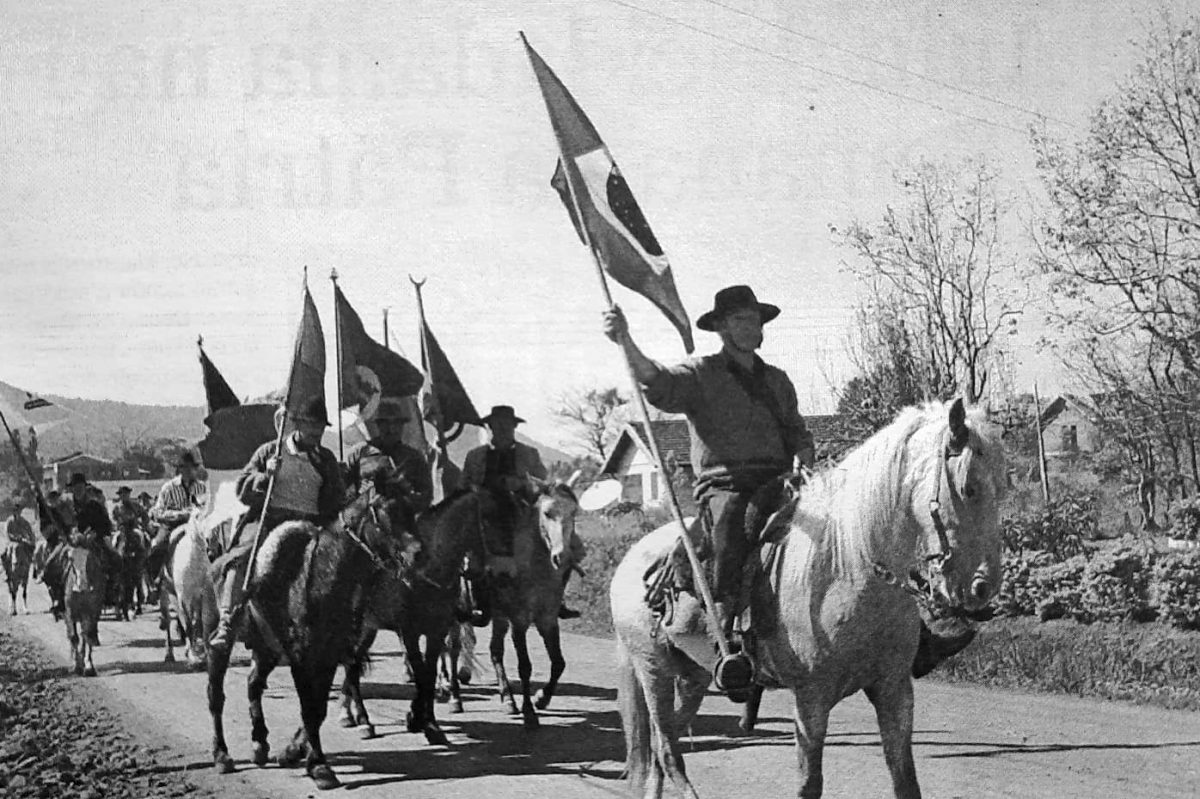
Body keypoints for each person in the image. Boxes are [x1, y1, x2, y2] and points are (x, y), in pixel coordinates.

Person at [603, 285, 815, 694]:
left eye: (755, 320)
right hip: (726, 484)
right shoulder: (701, 375)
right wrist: (625, 339)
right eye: (740, 320)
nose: (751, 327)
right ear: (720, 328)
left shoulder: (777, 381)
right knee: (733, 527)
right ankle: (725, 638)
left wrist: (804, 454)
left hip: (778, 480)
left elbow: (797, 431)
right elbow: (655, 381)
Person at [208, 398, 346, 650]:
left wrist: (341, 481)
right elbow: (242, 487)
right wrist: (264, 476)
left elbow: (336, 499)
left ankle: (344, 630)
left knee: (344, 564)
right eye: (312, 425)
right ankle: (227, 621)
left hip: (312, 525)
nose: (318, 432)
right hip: (270, 519)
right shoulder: (268, 451)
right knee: (244, 556)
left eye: (321, 427)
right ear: (297, 424)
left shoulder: (325, 458)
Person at [461, 405, 585, 621]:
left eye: (506, 425)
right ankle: (480, 603)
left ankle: (557, 600)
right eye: (496, 425)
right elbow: (463, 486)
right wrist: (479, 490)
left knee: (568, 545)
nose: (501, 429)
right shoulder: (475, 456)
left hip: (522, 510)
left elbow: (544, 487)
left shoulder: (529, 454)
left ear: (514, 427)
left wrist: (519, 483)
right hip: (486, 513)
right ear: (489, 427)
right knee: (472, 550)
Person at [343, 396, 433, 519]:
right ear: (378, 426)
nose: (391, 429)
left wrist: (401, 501)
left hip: (400, 521)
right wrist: (361, 497)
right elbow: (342, 491)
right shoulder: (359, 453)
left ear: (402, 426)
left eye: (396, 424)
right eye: (385, 423)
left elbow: (425, 497)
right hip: (363, 522)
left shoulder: (414, 458)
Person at [145, 453, 209, 584]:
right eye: (186, 468)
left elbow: (207, 506)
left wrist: (199, 512)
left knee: (215, 544)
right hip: (172, 524)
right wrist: (178, 514)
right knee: (157, 546)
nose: (190, 471)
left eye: (192, 468)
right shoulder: (169, 487)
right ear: (180, 469)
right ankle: (155, 580)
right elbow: (158, 511)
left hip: (197, 523)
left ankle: (215, 577)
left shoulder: (201, 487)